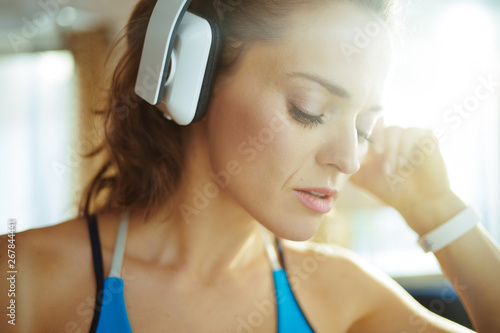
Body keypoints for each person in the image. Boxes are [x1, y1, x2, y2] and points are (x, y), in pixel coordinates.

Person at [1, 0, 499, 332]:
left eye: (364, 127)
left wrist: (439, 212)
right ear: (189, 80)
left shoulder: (340, 295)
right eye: (310, 108)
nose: (348, 158)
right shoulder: (21, 279)